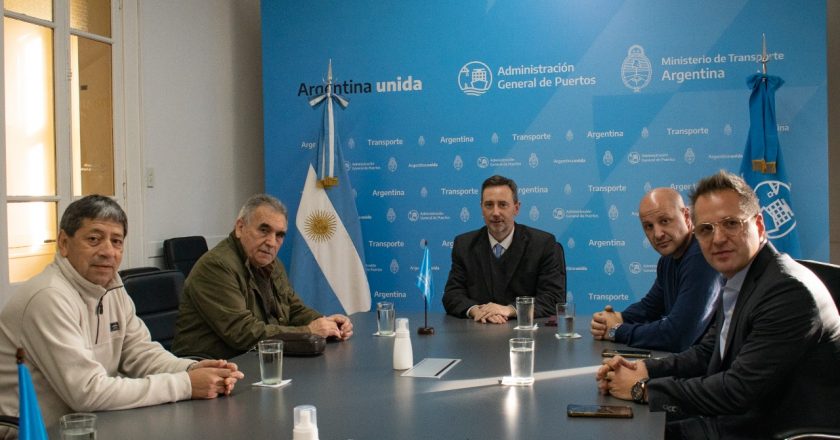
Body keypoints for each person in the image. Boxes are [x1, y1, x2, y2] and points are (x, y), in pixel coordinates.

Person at [596, 171, 840, 439]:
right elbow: (707, 352)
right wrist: (644, 369)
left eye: (731, 224)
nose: (718, 238)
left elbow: (737, 389)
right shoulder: (741, 278)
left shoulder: (787, 291)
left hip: (769, 429)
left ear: (759, 226)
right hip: (737, 418)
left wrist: (643, 389)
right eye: (706, 229)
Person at [0, 195, 244, 426]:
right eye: (94, 239)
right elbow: (87, 392)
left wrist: (190, 369)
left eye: (116, 241)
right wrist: (186, 385)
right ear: (64, 243)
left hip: (91, 423)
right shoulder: (48, 296)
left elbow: (140, 353)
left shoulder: (111, 286)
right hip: (32, 431)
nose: (108, 251)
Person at [172, 194, 353, 359]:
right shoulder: (217, 266)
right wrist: (308, 331)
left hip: (252, 358)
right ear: (240, 228)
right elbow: (242, 333)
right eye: (264, 230)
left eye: (279, 235)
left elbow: (294, 308)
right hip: (209, 366)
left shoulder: (271, 264)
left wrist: (326, 323)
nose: (271, 242)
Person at [590, 188, 722, 352]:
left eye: (665, 221)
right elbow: (649, 308)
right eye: (649, 226)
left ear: (687, 216)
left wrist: (615, 330)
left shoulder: (701, 255)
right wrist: (617, 318)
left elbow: (678, 335)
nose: (657, 234)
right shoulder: (667, 260)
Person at [442, 175, 565, 323]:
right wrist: (476, 311)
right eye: (489, 205)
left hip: (526, 335)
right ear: (481, 208)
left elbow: (553, 298)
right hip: (478, 333)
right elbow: (452, 294)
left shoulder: (543, 244)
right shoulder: (464, 245)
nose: (495, 212)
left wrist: (509, 310)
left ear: (516, 208)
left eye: (502, 204)